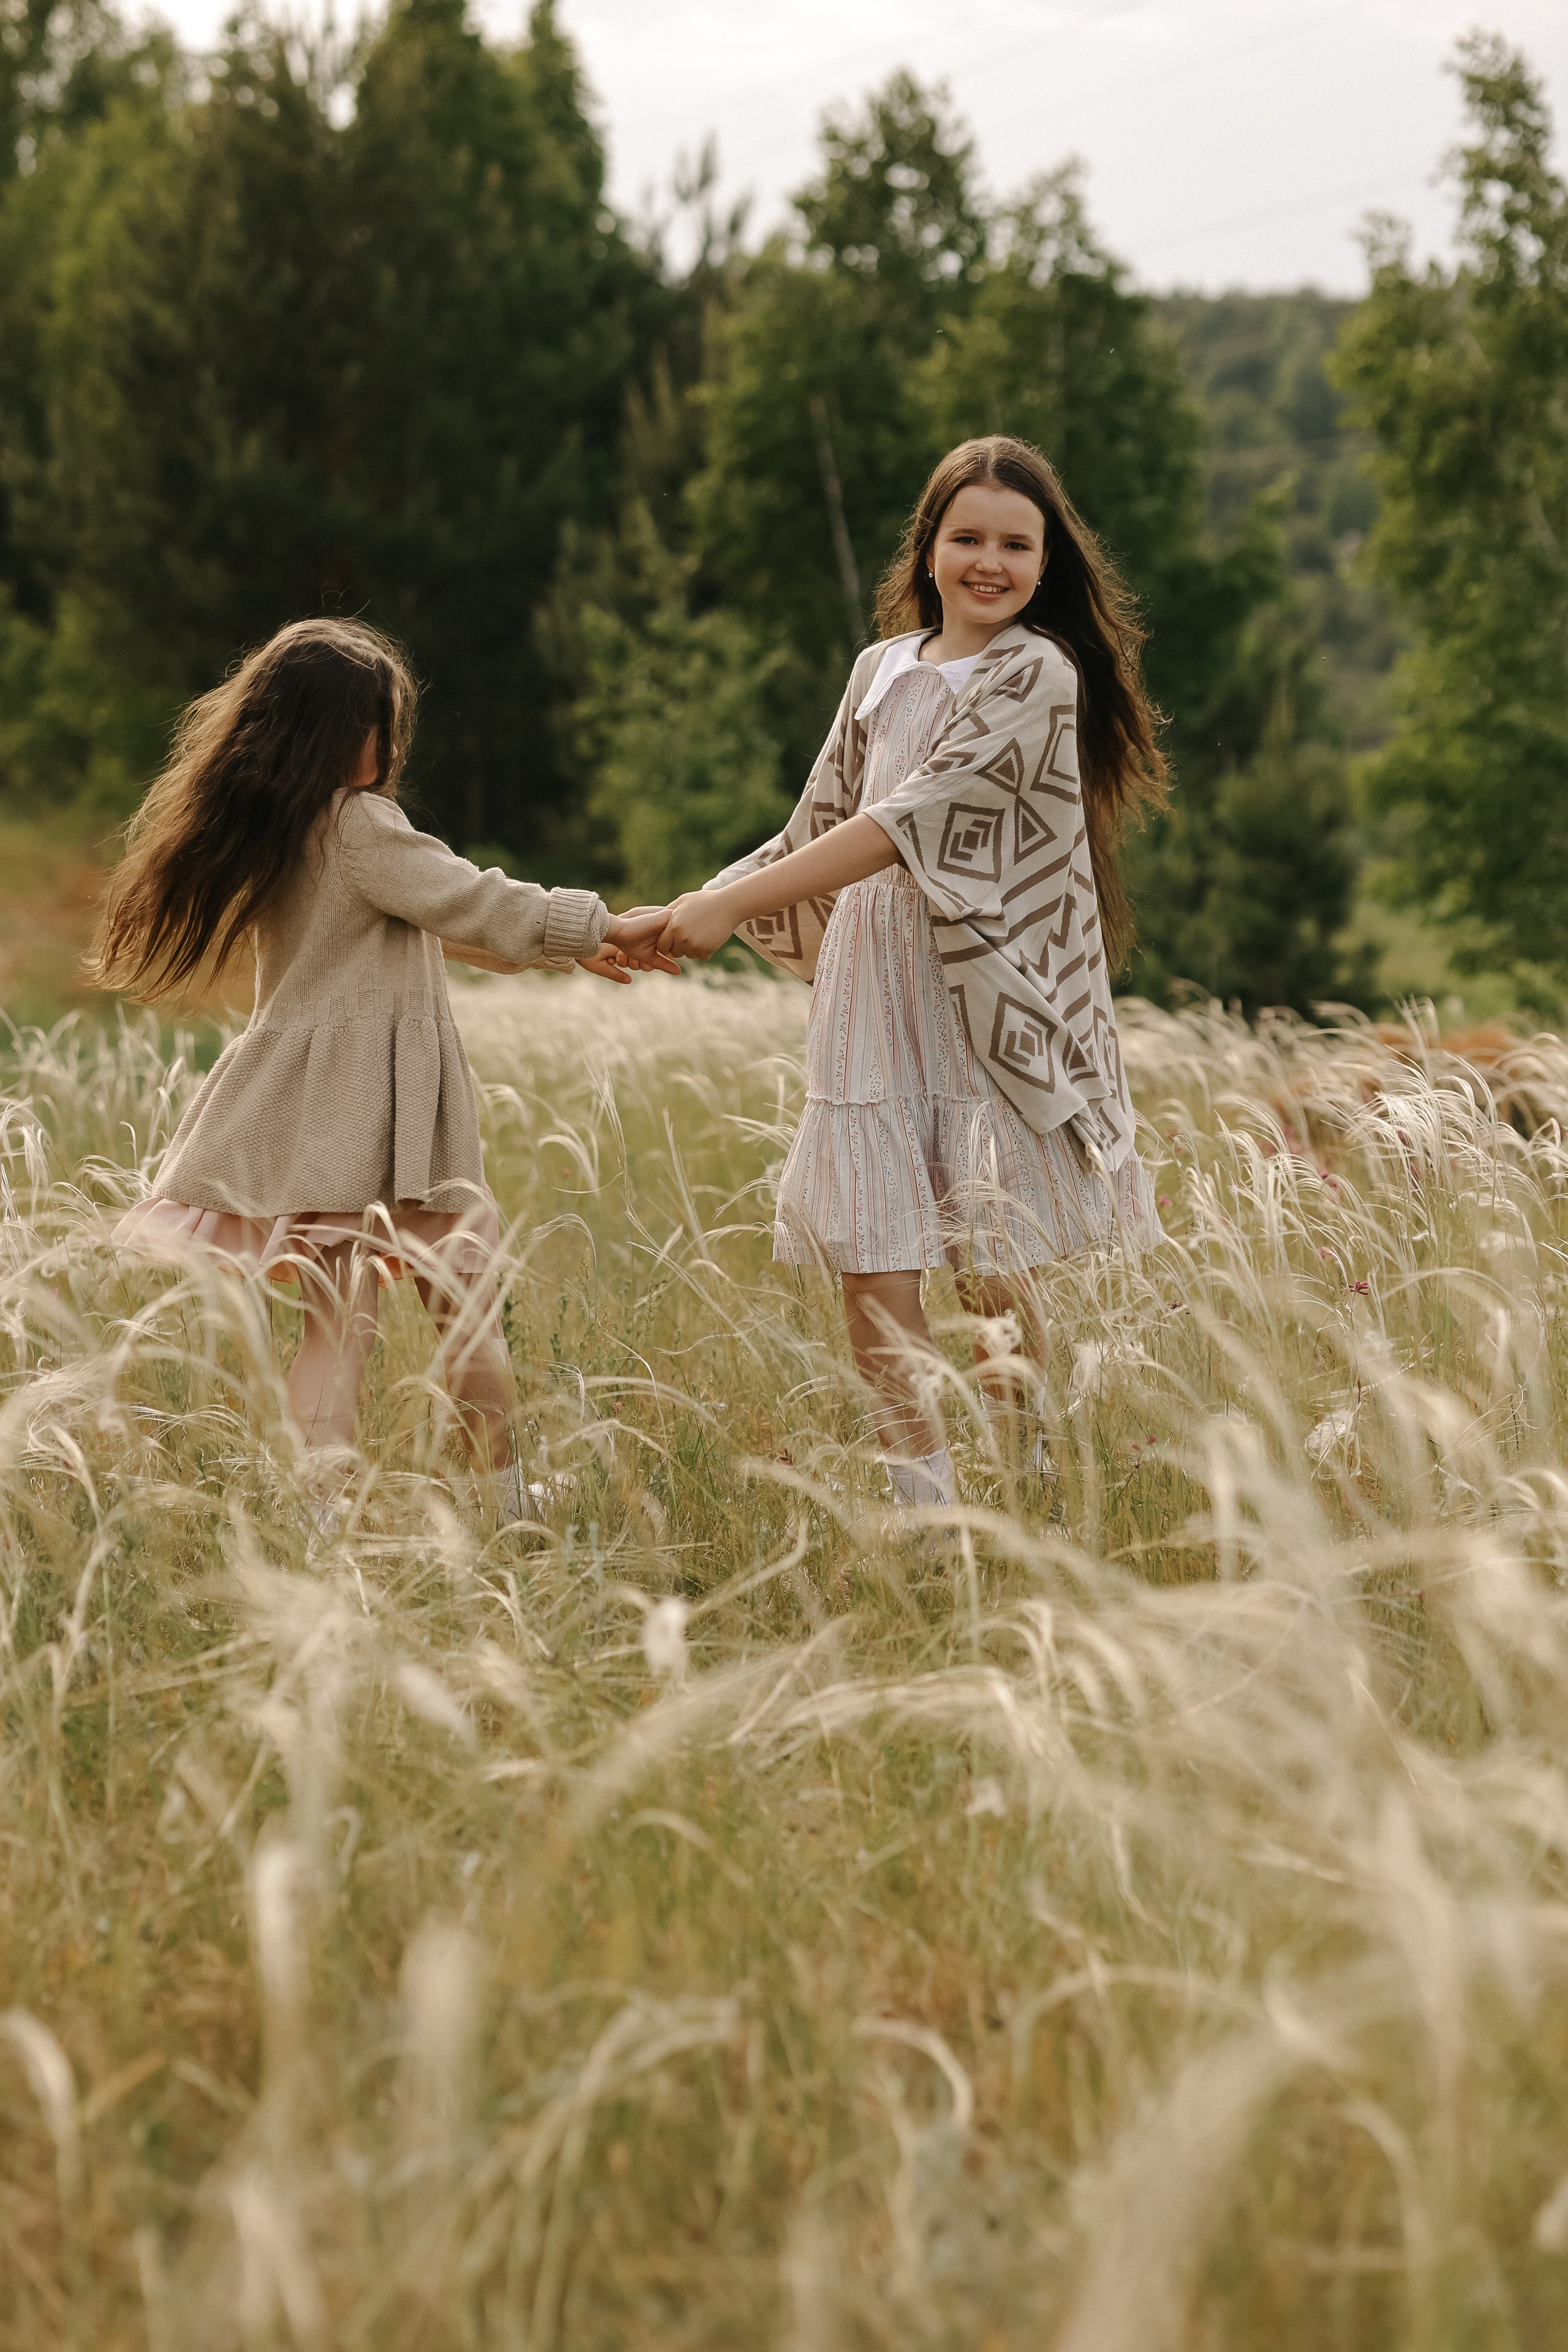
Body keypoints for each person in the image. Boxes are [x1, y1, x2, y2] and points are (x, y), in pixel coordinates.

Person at [657, 435, 1166, 1511]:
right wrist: (678, 911)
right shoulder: (879, 669)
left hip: (977, 992)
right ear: (928, 549)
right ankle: (924, 1509)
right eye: (967, 536)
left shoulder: (1039, 671)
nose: (991, 561)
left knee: (988, 1260)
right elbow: (821, 824)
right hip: (871, 982)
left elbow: (905, 823)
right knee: (873, 1260)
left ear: (1046, 563)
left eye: (1016, 545)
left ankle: (1029, 1471)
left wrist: (725, 911)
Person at [90, 616, 671, 1525]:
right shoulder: (361, 824)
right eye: (379, 724)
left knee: (344, 1324)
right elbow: (473, 898)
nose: (390, 744)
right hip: (385, 1116)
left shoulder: (288, 828)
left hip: (329, 1113)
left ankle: (326, 1516)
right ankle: (491, 1494)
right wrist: (602, 924)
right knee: (462, 1303)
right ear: (337, 732)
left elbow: (430, 927)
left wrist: (567, 951)